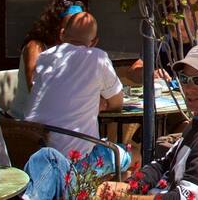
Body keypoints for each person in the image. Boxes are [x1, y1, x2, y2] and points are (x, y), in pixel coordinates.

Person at [90, 44, 198, 200]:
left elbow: (191, 197)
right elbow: (164, 164)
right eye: (184, 79)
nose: (189, 88)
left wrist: (128, 198)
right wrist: (130, 186)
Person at [25, 12, 129, 174]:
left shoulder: (45, 57)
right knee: (129, 153)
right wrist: (99, 103)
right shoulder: (98, 58)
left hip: (34, 153)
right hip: (74, 161)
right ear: (94, 42)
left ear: (62, 34)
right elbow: (117, 103)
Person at [10, 0, 81, 119]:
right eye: (71, 23)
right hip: (26, 121)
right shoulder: (35, 47)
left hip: (57, 118)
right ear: (58, 25)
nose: (76, 28)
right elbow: (35, 87)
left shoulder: (73, 49)